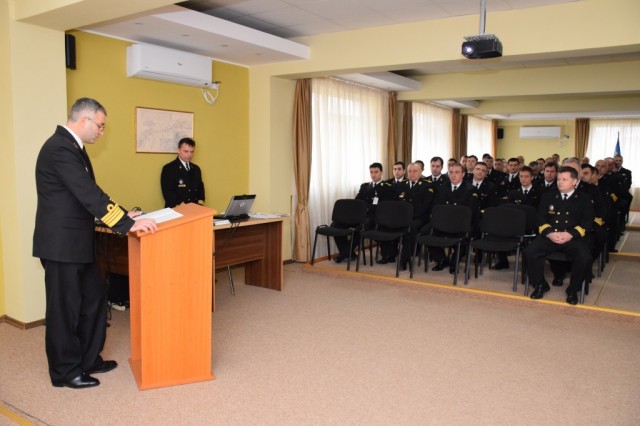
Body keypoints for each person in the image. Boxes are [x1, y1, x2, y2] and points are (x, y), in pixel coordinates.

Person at [33, 98, 158, 389]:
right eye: (100, 126)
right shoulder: (60, 148)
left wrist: (123, 214)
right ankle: (65, 372)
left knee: (94, 297)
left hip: (79, 242)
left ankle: (88, 359)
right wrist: (126, 224)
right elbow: (88, 193)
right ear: (83, 121)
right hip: (61, 245)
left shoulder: (73, 147)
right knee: (64, 309)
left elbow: (90, 193)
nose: (101, 131)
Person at [523, 166, 594, 305]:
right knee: (529, 252)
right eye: (559, 179)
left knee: (584, 257)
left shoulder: (584, 199)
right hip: (551, 236)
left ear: (574, 181)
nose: (560, 182)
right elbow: (540, 218)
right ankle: (540, 284)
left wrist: (570, 234)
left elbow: (587, 222)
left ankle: (573, 289)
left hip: (572, 238)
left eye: (564, 179)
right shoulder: (548, 196)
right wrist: (549, 233)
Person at [161, 137, 205, 208]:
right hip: (176, 209)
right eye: (186, 151)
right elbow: (168, 193)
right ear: (178, 150)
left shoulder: (196, 169)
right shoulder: (169, 168)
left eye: (192, 152)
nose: (189, 155)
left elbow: (200, 188)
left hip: (195, 209)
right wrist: (185, 208)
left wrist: (200, 204)